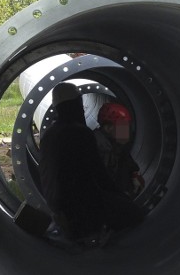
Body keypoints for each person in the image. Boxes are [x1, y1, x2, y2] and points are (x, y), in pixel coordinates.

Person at [39, 83, 145, 245]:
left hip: (58, 208)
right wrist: (122, 199)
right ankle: (95, 230)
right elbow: (100, 178)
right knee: (136, 214)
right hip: (80, 208)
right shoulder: (82, 134)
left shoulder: (48, 135)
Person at [93, 102, 145, 198]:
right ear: (108, 128)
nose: (125, 131)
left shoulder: (113, 143)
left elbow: (125, 157)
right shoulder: (99, 148)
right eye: (122, 127)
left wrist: (134, 173)